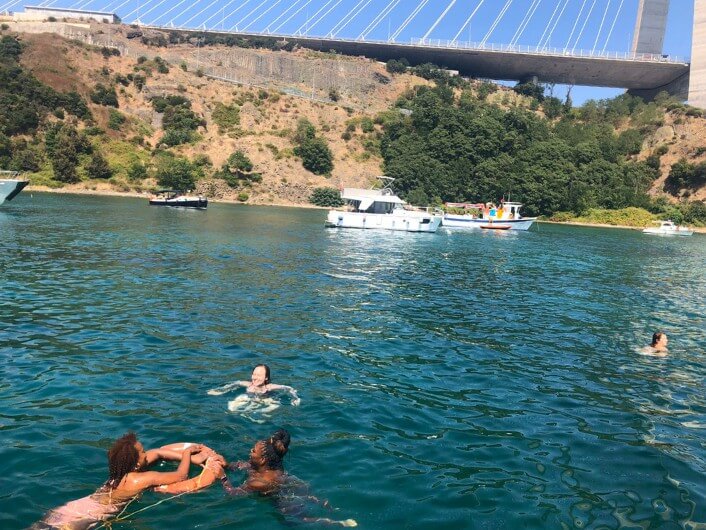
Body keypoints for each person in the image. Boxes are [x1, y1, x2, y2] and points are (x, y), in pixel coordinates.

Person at [160, 430, 356, 526]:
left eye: (253, 450)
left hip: (284, 502)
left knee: (302, 518)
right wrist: (227, 464)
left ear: (262, 459)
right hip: (294, 484)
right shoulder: (268, 466)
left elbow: (233, 494)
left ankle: (337, 523)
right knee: (313, 498)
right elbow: (243, 465)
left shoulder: (258, 482)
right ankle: (331, 507)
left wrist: (223, 478)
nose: (249, 451)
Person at [32, 433, 210, 530]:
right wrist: (187, 454)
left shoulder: (120, 474)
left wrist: (192, 459)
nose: (146, 452)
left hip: (73, 507)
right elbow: (181, 476)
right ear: (136, 462)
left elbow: (157, 452)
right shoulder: (141, 478)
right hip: (86, 517)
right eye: (142, 452)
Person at [208, 364, 301, 406]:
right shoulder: (248, 384)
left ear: (266, 378)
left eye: (259, 375)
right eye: (254, 374)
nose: (255, 377)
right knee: (239, 400)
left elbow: (289, 388)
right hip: (250, 398)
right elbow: (233, 384)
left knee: (273, 403)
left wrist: (295, 398)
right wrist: (219, 391)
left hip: (265, 399)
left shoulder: (269, 387)